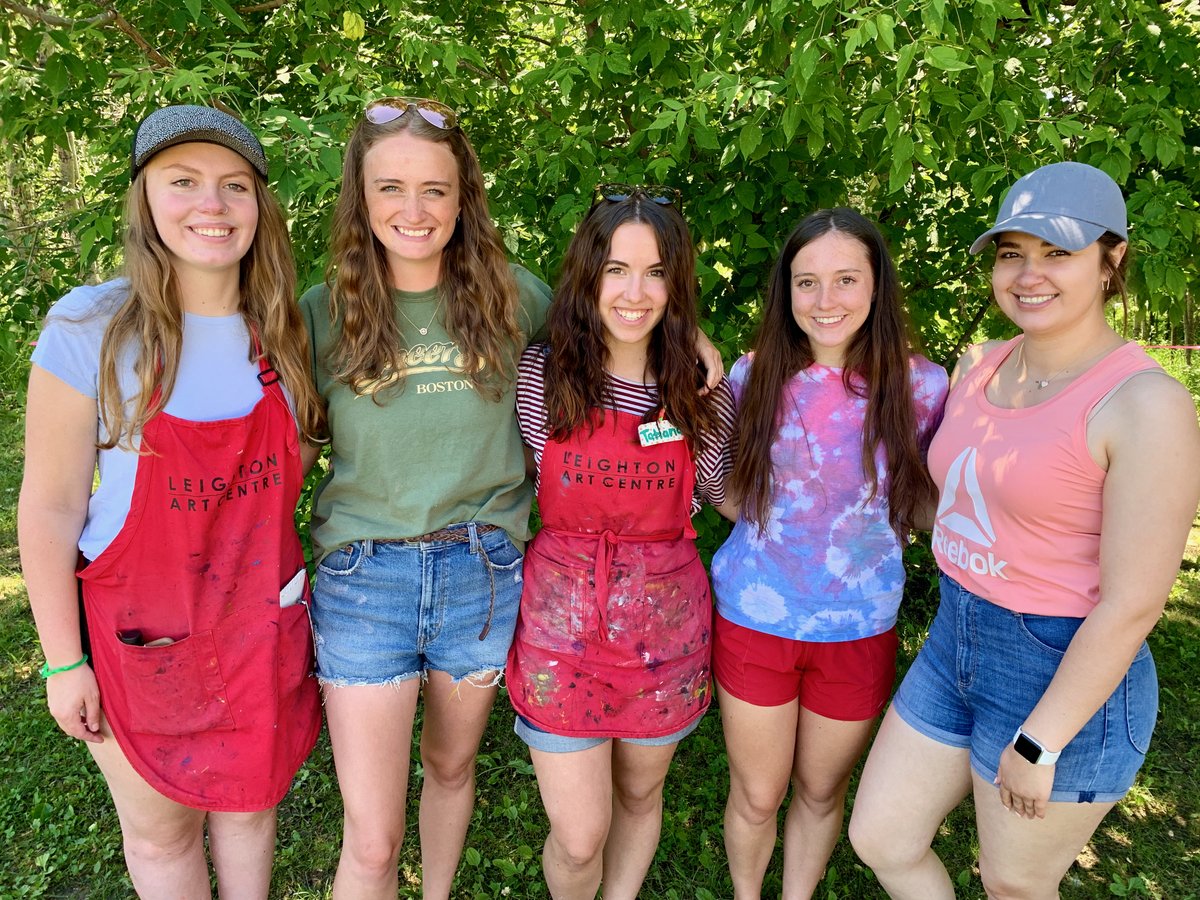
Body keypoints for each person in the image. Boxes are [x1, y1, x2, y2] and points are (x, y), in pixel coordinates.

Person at [299, 100, 726, 900]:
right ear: (361, 196)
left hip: (481, 576)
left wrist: (691, 342)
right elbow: (284, 450)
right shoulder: (322, 313)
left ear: (464, 197)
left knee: (451, 767)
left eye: (435, 189)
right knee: (372, 839)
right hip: (364, 580)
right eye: (391, 188)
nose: (414, 209)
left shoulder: (511, 298)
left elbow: (607, 326)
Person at [848, 162, 1200, 899]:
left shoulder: (1145, 405)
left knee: (1013, 885)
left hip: (1060, 665)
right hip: (956, 637)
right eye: (1012, 253)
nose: (1028, 274)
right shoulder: (982, 364)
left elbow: (1134, 603)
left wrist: (1040, 742)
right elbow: (955, 503)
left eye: (1058, 252)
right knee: (881, 836)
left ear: (1112, 260)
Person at [18, 105, 324, 899]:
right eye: (182, 181)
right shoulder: (89, 329)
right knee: (162, 835)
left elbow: (301, 461)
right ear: (145, 199)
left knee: (251, 809)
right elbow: (49, 507)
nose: (211, 205)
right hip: (139, 638)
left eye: (234, 186)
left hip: (257, 626)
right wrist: (63, 662)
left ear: (259, 205)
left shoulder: (286, 332)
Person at [708, 208, 948, 899]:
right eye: (806, 281)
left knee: (819, 791)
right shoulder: (753, 377)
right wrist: (783, 533)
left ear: (877, 285)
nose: (824, 300)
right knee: (757, 794)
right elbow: (727, 490)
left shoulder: (923, 387)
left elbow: (928, 505)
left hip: (859, 625)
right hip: (757, 618)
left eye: (846, 279)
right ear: (786, 290)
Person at [506, 184, 736, 900]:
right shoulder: (542, 374)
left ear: (677, 283)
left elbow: (721, 494)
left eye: (656, 272)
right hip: (560, 632)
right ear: (588, 275)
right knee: (579, 838)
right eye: (616, 269)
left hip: (664, 636)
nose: (635, 293)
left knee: (639, 797)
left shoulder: (702, 391)